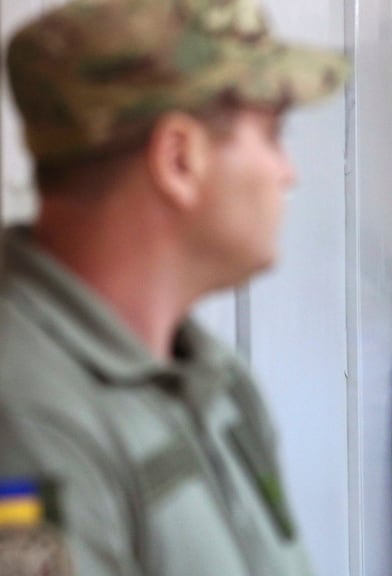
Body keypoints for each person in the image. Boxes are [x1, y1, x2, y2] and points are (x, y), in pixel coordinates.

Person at [0, 0, 348, 574]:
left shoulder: (214, 380)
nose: (289, 173)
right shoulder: (28, 413)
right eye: (271, 134)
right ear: (179, 159)